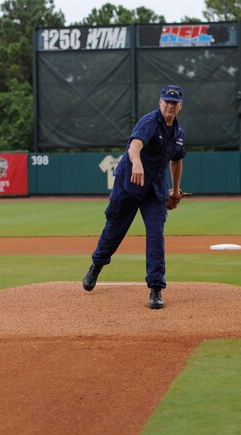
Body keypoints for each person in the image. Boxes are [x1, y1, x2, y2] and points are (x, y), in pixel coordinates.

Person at [82, 84, 186, 310]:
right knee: (114, 231)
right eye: (166, 101)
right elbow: (135, 145)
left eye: (174, 102)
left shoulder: (178, 134)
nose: (169, 105)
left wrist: (176, 190)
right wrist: (137, 163)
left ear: (180, 106)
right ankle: (96, 265)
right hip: (130, 185)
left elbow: (176, 160)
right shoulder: (150, 122)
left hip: (155, 191)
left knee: (156, 235)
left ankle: (156, 288)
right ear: (160, 103)